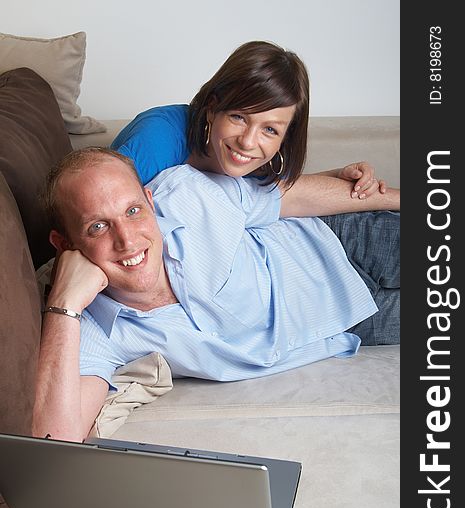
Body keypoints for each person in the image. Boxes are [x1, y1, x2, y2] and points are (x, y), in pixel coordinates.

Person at [33, 148, 399, 443]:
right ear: (65, 245)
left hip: (343, 240)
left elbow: (286, 197)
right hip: (355, 319)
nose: (127, 240)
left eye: (133, 211)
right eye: (98, 226)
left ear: (149, 200)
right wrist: (62, 306)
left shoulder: (185, 194)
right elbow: (55, 443)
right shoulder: (90, 328)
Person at [110, 40, 394, 210]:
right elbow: (98, 213)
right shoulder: (157, 140)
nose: (248, 141)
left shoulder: (248, 159)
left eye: (270, 130)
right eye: (239, 117)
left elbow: (272, 198)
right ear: (212, 108)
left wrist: (338, 175)